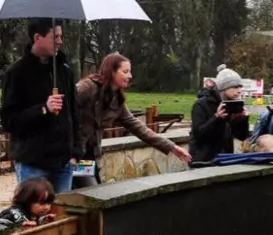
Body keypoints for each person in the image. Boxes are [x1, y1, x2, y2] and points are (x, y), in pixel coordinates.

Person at [73, 53, 191, 188]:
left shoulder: (117, 101)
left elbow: (139, 128)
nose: (130, 76)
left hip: (88, 159)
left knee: (91, 194)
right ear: (112, 72)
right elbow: (64, 109)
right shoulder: (87, 87)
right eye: (125, 71)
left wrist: (172, 147)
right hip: (68, 154)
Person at [0, 18, 83, 193]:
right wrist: (43, 109)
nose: (60, 41)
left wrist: (75, 153)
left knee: (62, 218)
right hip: (33, 163)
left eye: (61, 36)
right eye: (56, 37)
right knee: (35, 218)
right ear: (38, 38)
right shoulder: (16, 74)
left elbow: (75, 114)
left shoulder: (65, 72)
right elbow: (9, 121)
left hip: (64, 164)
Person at [189, 64, 250, 164]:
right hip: (203, 160)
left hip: (225, 159)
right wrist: (217, 117)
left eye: (240, 87)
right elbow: (199, 134)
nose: (239, 91)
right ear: (223, 87)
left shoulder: (232, 104)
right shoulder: (201, 104)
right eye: (235, 87)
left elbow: (241, 136)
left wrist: (243, 119)